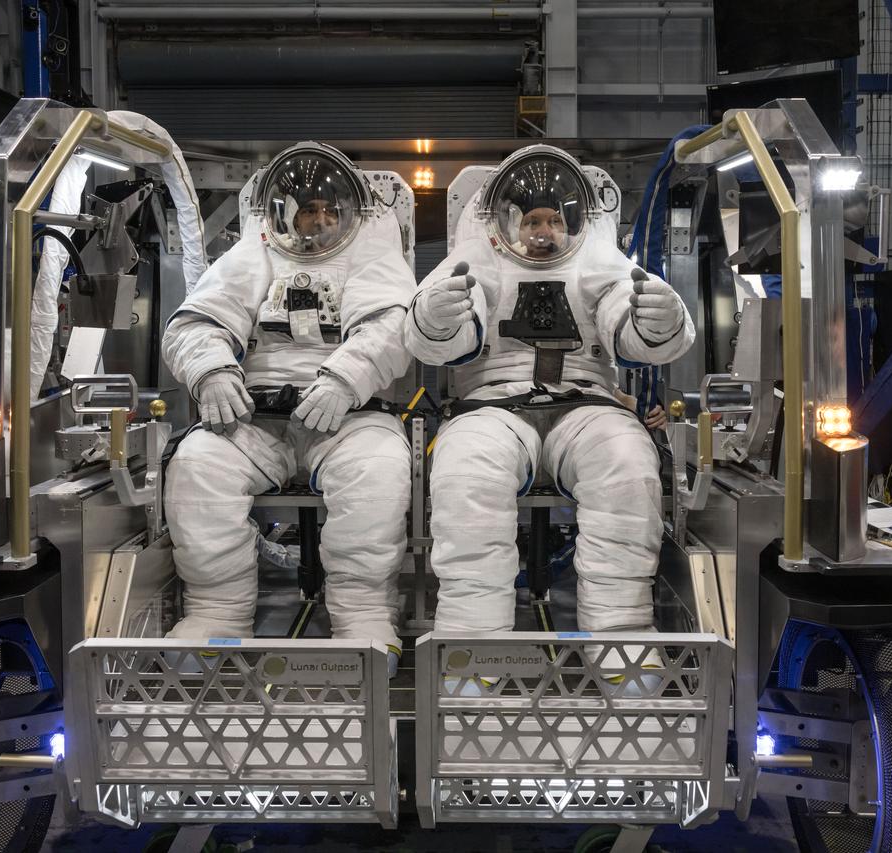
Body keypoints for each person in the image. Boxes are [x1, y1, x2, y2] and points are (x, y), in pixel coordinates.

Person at [404, 145, 694, 688]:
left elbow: (623, 321)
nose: (543, 231)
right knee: (465, 471)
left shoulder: (598, 260)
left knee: (629, 465)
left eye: (554, 219)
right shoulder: (477, 259)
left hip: (584, 402)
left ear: (574, 223)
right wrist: (440, 317)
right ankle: (473, 643)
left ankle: (622, 637)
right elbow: (429, 340)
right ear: (506, 222)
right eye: (531, 220)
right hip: (491, 403)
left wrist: (658, 324)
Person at [161, 143, 414, 675]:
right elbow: (197, 322)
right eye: (307, 209)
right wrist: (211, 370)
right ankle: (215, 613)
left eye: (329, 210)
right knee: (198, 465)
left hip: (352, 416)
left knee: (379, 472)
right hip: (258, 417)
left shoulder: (373, 251)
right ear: (284, 212)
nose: (319, 221)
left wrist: (346, 378)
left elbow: (392, 326)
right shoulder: (255, 252)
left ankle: (365, 616)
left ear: (348, 212)